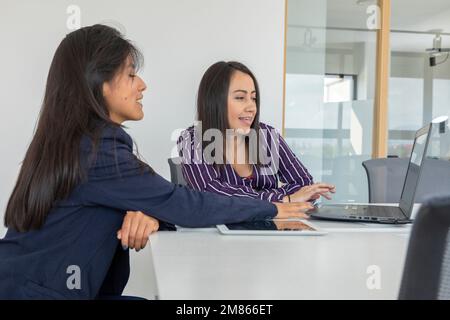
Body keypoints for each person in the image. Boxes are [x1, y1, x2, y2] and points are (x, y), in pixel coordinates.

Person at [0, 25, 311, 300]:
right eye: (132, 75)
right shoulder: (98, 150)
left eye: (253, 97)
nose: (142, 85)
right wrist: (273, 207)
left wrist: (148, 212)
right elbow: (183, 202)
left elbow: (153, 201)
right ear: (100, 84)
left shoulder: (77, 142)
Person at [178, 61, 335, 204]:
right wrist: (284, 198)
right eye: (240, 97)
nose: (252, 107)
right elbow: (212, 195)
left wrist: (280, 199)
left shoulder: (267, 136)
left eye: (254, 98)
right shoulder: (191, 140)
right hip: (217, 233)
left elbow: (304, 185)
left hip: (271, 229)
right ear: (214, 101)